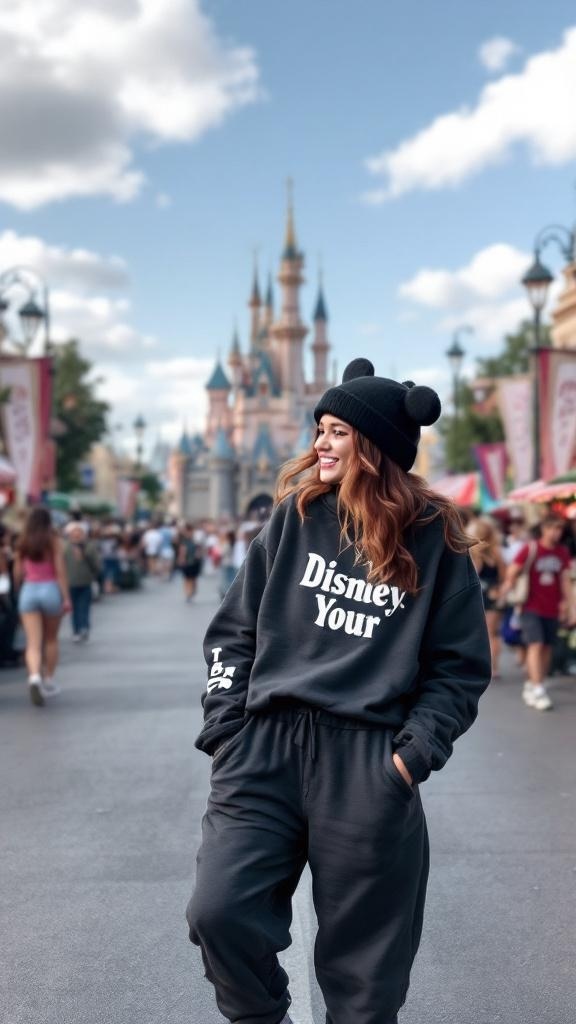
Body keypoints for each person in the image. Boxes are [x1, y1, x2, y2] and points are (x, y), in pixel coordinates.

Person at [186, 359, 491, 1024]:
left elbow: (459, 667)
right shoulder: (293, 519)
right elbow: (233, 632)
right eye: (319, 429)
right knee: (219, 912)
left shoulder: (434, 536)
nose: (319, 443)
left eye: (337, 432)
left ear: (375, 445)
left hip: (367, 760)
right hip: (263, 750)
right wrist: (225, 727)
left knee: (366, 975)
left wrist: (411, 756)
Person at [503, 514, 572, 711]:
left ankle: (533, 683)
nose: (555, 532)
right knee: (536, 644)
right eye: (552, 528)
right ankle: (538, 688)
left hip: (552, 607)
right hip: (530, 606)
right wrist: (509, 585)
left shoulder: (562, 552)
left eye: (559, 529)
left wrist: (570, 606)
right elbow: (512, 571)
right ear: (543, 528)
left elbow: (565, 581)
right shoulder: (531, 548)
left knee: (547, 648)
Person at [13, 507, 71, 705]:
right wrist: (66, 597)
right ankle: (48, 680)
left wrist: (19, 589)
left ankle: (34, 678)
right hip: (50, 590)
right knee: (51, 640)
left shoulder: (22, 542)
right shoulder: (53, 541)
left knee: (33, 642)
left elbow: (18, 572)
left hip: (29, 590)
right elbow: (60, 571)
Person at [469, 517, 507, 679]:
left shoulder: (474, 553)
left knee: (481, 633)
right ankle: (494, 667)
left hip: (480, 596)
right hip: (495, 594)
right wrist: (500, 590)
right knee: (493, 633)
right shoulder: (496, 551)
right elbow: (504, 575)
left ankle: (485, 667)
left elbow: (472, 576)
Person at [63, 522, 101, 641]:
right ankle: (76, 630)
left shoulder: (89, 546)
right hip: (69, 583)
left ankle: (84, 627)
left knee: (84, 607)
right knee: (73, 609)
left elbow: (96, 564)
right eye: (74, 532)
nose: (77, 534)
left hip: (86, 582)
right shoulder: (64, 547)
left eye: (79, 532)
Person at [177, 523, 202, 602]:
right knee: (187, 578)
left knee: (192, 578)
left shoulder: (195, 541)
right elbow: (182, 551)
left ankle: (191, 592)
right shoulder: (184, 541)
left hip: (194, 562)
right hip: (188, 562)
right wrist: (181, 559)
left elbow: (198, 552)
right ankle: (188, 593)